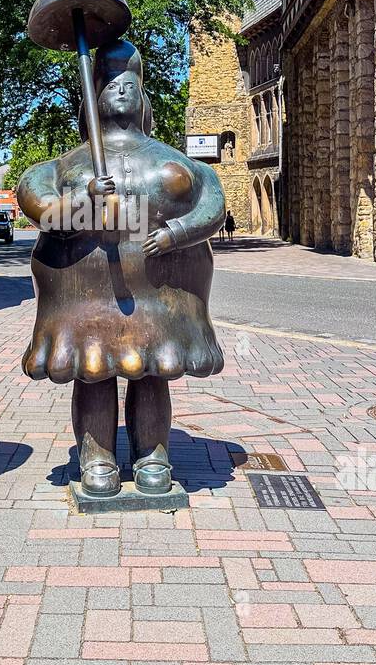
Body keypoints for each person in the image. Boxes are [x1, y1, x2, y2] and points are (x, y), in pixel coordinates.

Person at [17, 40, 225, 498]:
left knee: (152, 371)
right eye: (110, 85)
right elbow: (39, 208)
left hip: (159, 291)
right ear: (93, 100)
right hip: (87, 293)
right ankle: (97, 457)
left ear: (144, 97)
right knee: (94, 370)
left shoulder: (177, 160)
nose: (122, 90)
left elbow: (213, 204)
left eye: (130, 83)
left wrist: (176, 232)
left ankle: (153, 455)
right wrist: (84, 199)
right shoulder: (63, 166)